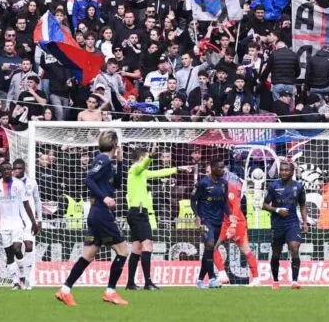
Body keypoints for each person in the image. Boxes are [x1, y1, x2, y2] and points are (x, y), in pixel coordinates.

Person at [56, 130, 130, 306]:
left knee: (88, 255)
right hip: (102, 213)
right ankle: (110, 292)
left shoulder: (108, 162)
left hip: (96, 214)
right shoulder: (103, 160)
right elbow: (88, 179)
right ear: (114, 145)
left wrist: (120, 162)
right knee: (123, 251)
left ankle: (65, 290)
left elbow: (118, 184)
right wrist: (104, 197)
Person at [124, 146, 189, 289]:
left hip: (136, 212)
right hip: (138, 213)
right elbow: (144, 164)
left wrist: (178, 169)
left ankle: (130, 283)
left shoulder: (141, 173)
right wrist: (151, 156)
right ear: (142, 158)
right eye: (146, 157)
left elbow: (159, 172)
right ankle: (148, 282)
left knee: (136, 247)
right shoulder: (135, 169)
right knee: (148, 245)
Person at [0, 159, 39, 289]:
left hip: (17, 222)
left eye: (9, 169)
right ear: (0, 172)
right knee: (9, 254)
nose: (7, 172)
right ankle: (16, 282)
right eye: (4, 170)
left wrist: (34, 222)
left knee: (17, 249)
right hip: (3, 224)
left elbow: (26, 204)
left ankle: (23, 276)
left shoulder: (19, 184)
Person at [264, 159, 308, 290]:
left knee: (294, 248)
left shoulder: (299, 186)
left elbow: (302, 205)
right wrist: (277, 210)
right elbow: (264, 205)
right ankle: (276, 281)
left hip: (292, 222)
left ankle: (294, 281)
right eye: (282, 170)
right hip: (277, 223)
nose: (283, 172)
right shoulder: (273, 186)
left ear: (292, 172)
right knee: (276, 253)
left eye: (286, 170)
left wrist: (305, 222)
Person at [213, 168, 259, 285]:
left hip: (236, 222)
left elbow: (236, 205)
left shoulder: (228, 187)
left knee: (245, 249)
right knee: (212, 246)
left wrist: (233, 225)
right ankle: (223, 275)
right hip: (224, 222)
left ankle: (256, 278)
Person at [193, 157, 231, 288]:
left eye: (223, 167)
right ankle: (212, 278)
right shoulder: (203, 183)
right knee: (209, 245)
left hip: (218, 220)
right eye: (220, 167)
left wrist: (230, 216)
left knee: (209, 250)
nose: (223, 169)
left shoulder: (224, 183)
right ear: (213, 168)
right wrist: (197, 216)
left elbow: (224, 203)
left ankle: (199, 280)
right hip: (205, 220)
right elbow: (193, 200)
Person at [11, 158, 43, 287]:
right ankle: (23, 274)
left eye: (19, 168)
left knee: (29, 246)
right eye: (15, 168)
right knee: (16, 249)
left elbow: (37, 200)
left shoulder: (32, 182)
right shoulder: (10, 183)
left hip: (29, 219)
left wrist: (39, 220)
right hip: (15, 220)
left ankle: (28, 278)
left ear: (24, 169)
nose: (17, 170)